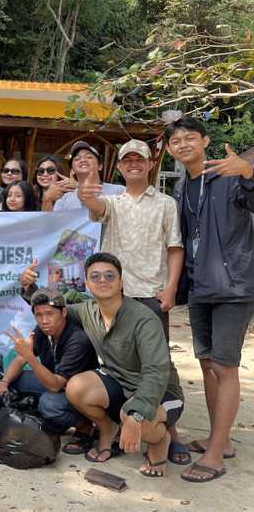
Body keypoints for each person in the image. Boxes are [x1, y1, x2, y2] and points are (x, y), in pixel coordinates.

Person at [76, 138, 188, 464]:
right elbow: (95, 208)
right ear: (121, 167)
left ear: (150, 164)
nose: (134, 163)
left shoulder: (166, 203)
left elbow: (175, 248)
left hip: (151, 295)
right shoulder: (112, 202)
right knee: (116, 362)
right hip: (115, 295)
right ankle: (116, 419)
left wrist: (171, 289)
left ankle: (169, 431)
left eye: (140, 159)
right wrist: (86, 192)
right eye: (128, 160)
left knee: (158, 365)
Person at [165, 115, 254, 483]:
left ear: (205, 141)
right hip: (201, 286)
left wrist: (248, 174)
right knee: (205, 363)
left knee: (225, 366)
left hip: (234, 286)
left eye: (189, 138)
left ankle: (216, 454)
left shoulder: (229, 174)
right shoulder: (183, 189)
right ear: (170, 150)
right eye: (175, 141)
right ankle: (223, 439)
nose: (183, 144)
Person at [64, 253, 184, 478]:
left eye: (110, 276)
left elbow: (156, 373)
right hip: (120, 383)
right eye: (95, 276)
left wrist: (136, 414)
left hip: (161, 391)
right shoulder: (86, 310)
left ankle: (161, 440)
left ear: (121, 284)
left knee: (140, 416)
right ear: (87, 285)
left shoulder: (145, 319)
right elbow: (55, 310)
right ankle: (109, 427)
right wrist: (29, 289)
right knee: (76, 386)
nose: (103, 280)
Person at [0, 289, 98, 443]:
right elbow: (19, 360)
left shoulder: (78, 340)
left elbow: (55, 386)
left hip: (81, 395)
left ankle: (85, 426)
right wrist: (3, 383)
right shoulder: (42, 331)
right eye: (39, 315)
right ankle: (54, 420)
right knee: (14, 380)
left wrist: (30, 357)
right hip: (56, 385)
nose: (44, 320)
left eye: (50, 314)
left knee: (49, 403)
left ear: (63, 312)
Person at [42, 141, 124, 212]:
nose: (83, 160)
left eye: (89, 157)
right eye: (77, 159)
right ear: (72, 170)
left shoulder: (119, 191)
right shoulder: (64, 200)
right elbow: (53, 226)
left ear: (100, 166)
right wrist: (47, 200)